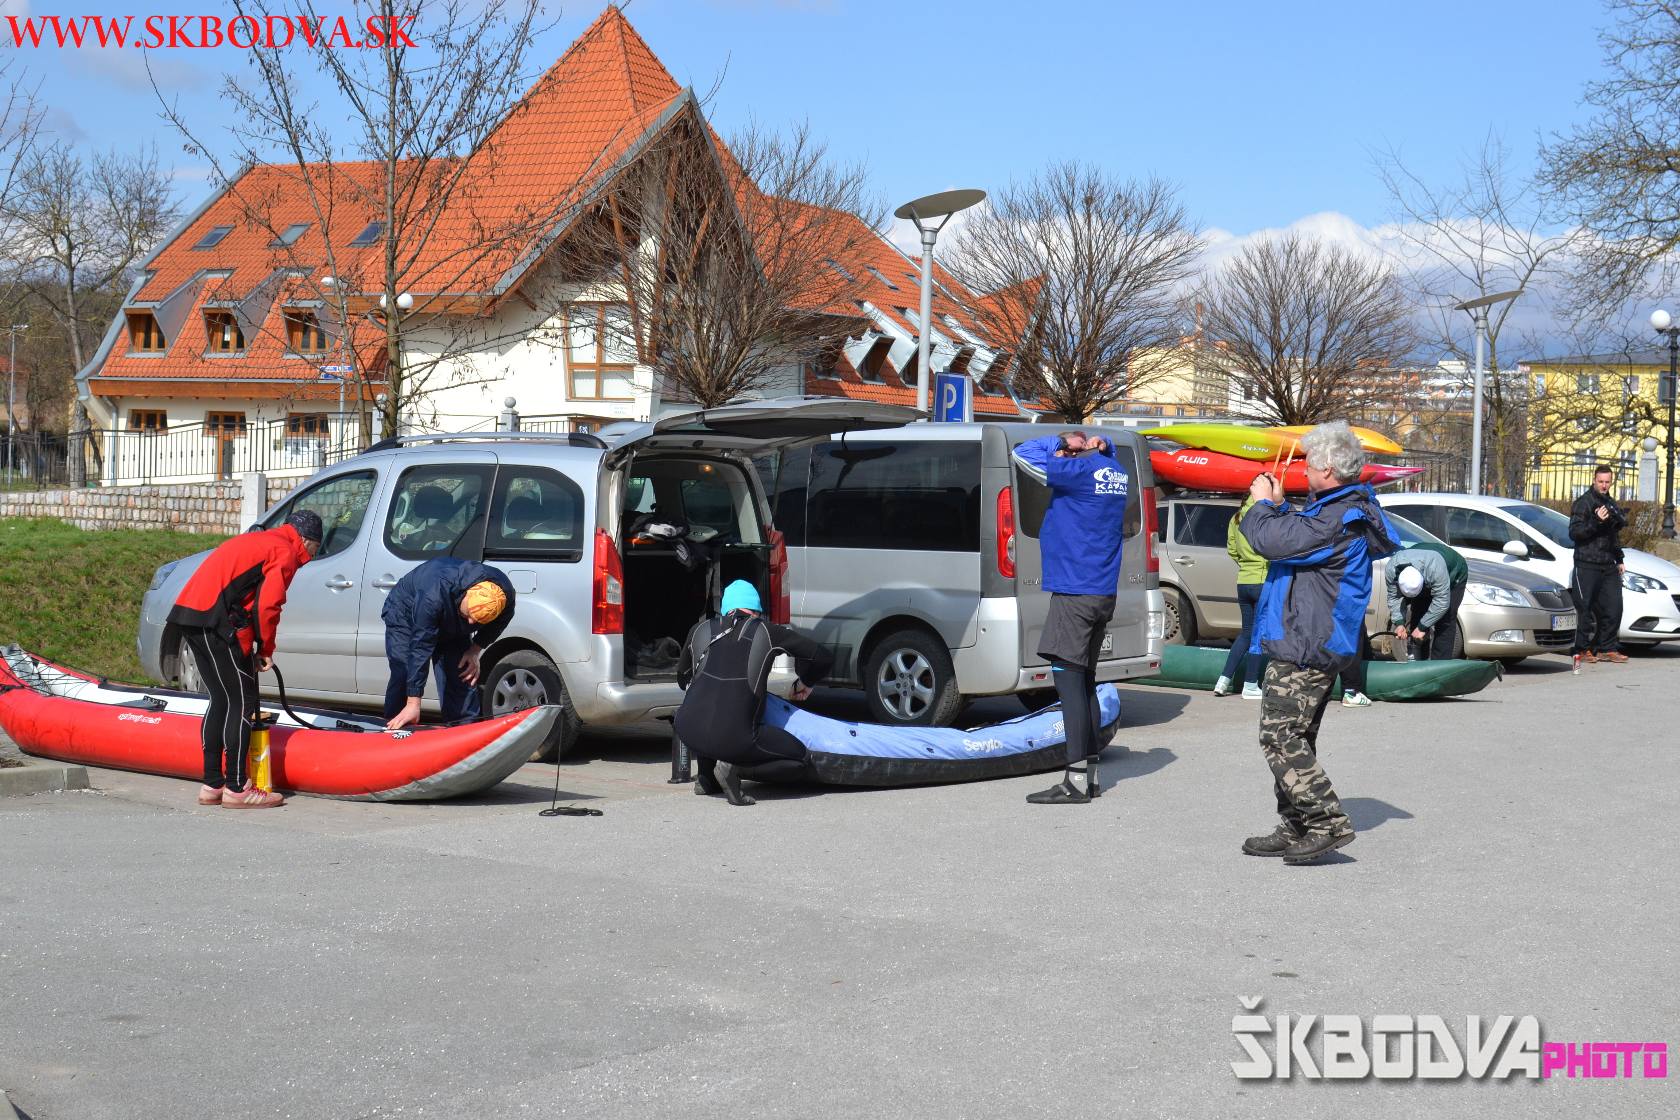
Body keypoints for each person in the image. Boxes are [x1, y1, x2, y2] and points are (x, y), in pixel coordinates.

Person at [1237, 421, 1402, 864]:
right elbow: (1294, 533)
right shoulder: (1332, 509)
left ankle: (1327, 821)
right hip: (1305, 638)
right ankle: (1296, 824)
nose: (1304, 471)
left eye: (1310, 464)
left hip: (1308, 642)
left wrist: (1262, 505)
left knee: (1278, 735)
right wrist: (1276, 505)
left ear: (1328, 468)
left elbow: (1273, 541)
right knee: (1298, 736)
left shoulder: (1339, 517)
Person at [167, 510, 323, 808]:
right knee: (242, 702)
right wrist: (265, 649)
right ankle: (238, 788)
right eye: (315, 548)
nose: (312, 557)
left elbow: (247, 596)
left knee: (220, 700)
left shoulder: (260, 540)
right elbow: (268, 606)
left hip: (190, 614)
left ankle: (212, 784)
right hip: (216, 620)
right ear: (305, 539)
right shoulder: (285, 551)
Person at [1010, 429, 1128, 804]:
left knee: (1068, 687)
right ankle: (1089, 776)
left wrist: (1058, 439)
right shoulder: (1115, 473)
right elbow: (1106, 448)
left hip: (1074, 593)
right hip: (1100, 591)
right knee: (1085, 683)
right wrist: (1097, 444)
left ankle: (1075, 782)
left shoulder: (1077, 473)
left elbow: (1022, 454)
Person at [674, 580, 833, 806]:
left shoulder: (700, 629)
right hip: (735, 737)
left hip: (688, 730)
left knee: (710, 707)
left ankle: (707, 778)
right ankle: (734, 768)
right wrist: (805, 682)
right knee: (800, 758)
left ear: (726, 608)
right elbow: (823, 657)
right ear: (757, 610)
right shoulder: (767, 632)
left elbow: (682, 680)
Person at [383, 557, 517, 730]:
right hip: (406, 612)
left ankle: (464, 730)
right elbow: (421, 647)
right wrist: (413, 703)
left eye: (476, 621)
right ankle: (395, 726)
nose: (470, 623)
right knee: (405, 669)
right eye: (469, 614)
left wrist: (475, 650)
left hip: (451, 617)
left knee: (462, 672)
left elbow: (500, 622)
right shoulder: (434, 595)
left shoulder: (505, 596)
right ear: (468, 594)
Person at [1568, 465, 1628, 667]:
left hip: (1607, 563)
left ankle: (1607, 648)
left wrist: (1619, 558)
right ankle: (1582, 649)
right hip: (1586, 563)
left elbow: (1614, 534)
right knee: (1584, 608)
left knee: (1614, 606)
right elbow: (1575, 533)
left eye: (1607, 482)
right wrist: (1595, 521)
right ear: (1594, 481)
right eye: (1600, 481)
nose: (1604, 485)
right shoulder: (1583, 503)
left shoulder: (1610, 502)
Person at [1215, 494, 1267, 699]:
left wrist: (1246, 565)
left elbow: (1232, 549)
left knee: (1246, 633)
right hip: (1262, 581)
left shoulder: (1236, 517)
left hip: (1243, 581)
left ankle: (1223, 680)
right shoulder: (1264, 515)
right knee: (1258, 635)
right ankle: (1251, 684)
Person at [1385, 540, 1470, 661]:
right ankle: (1417, 662)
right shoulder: (1391, 570)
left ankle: (1440, 667)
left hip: (1454, 573)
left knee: (1445, 620)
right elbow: (1394, 597)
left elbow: (1441, 603)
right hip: (1425, 565)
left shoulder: (1436, 570)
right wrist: (1399, 623)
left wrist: (1421, 627)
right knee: (1418, 614)